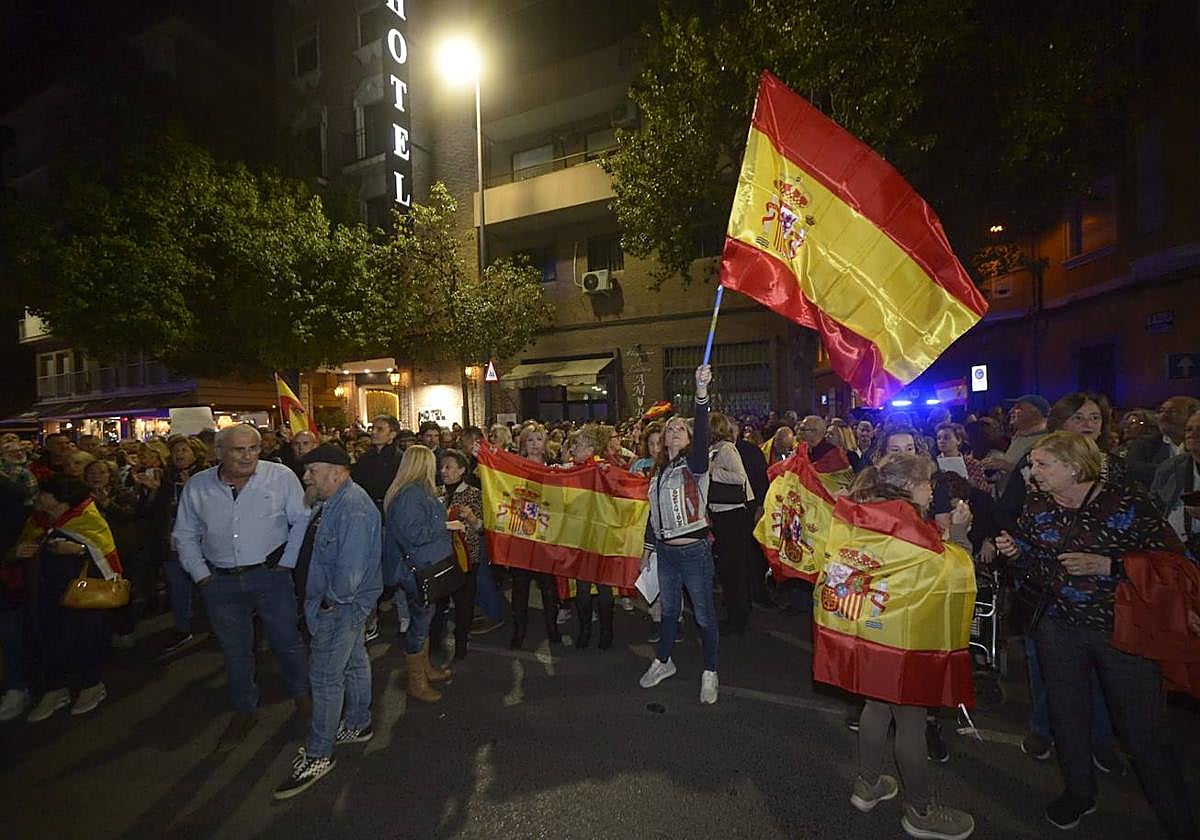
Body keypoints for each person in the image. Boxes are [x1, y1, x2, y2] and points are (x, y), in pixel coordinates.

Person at [996, 432, 1198, 836]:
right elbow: (1037, 562)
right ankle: (1079, 792)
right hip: (1057, 625)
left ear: (1074, 466)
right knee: (1067, 715)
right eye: (1033, 464)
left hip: (1122, 630)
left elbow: (1176, 562)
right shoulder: (1037, 506)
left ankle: (1179, 818)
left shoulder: (1127, 502)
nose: (1032, 473)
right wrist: (1018, 553)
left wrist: (1111, 566)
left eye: (1042, 464)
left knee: (1143, 730)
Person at [172, 424, 312, 752]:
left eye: (253, 448)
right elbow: (185, 533)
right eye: (239, 450)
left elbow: (302, 519)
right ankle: (245, 711)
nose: (248, 456)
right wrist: (201, 574)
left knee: (287, 641)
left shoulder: (280, 477)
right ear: (219, 452)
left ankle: (303, 697)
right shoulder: (198, 486)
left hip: (270, 576)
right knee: (235, 651)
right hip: (219, 582)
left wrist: (288, 561)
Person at [273, 445, 382, 800]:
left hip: (339, 606)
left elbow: (349, 576)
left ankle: (319, 753)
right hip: (340, 605)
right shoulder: (334, 502)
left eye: (312, 470)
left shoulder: (352, 509)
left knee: (323, 677)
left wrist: (327, 604)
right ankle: (358, 723)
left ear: (337, 471)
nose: (306, 477)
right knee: (353, 661)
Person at [639, 364, 720, 704]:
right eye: (669, 429)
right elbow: (652, 517)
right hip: (666, 553)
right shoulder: (657, 471)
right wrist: (649, 548)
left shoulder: (695, 465)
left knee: (703, 615)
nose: (672, 433)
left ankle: (710, 672)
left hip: (694, 552)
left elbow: (701, 434)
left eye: (678, 430)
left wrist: (701, 394)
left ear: (687, 440)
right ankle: (663, 661)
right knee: (669, 612)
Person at [18, 475, 124, 721]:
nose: (37, 498)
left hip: (82, 595)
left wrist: (80, 550)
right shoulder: (39, 521)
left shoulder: (87, 520)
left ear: (61, 500)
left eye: (43, 494)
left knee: (84, 637)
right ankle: (55, 689)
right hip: (45, 593)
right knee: (48, 638)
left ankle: (92, 685)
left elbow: (107, 558)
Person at [383, 445, 459, 703]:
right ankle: (416, 681)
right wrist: (443, 525)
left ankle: (424, 669)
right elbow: (415, 534)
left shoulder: (415, 491)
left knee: (424, 619)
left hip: (423, 565)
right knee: (419, 624)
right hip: (417, 569)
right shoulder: (410, 495)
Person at [507, 424, 562, 649]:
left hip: (545, 533)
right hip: (520, 531)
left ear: (545, 442)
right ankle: (519, 630)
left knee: (548, 586)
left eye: (538, 439)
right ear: (523, 444)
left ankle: (552, 628)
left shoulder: (554, 468)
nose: (534, 444)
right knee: (520, 586)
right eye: (529, 440)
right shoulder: (512, 467)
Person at [156, 437, 211, 656]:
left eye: (183, 450)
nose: (179, 454)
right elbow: (158, 511)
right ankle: (182, 628)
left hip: (201, 542)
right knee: (178, 586)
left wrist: (191, 488)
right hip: (172, 540)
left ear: (194, 452)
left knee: (207, 586)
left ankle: (216, 626)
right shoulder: (167, 477)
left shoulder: (207, 475)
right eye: (175, 450)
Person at [430, 449, 483, 661]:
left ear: (462, 470)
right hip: (441, 555)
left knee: (463, 603)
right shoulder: (435, 493)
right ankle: (434, 642)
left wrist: (470, 518)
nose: (444, 471)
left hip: (466, 556)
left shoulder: (473, 494)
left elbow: (481, 527)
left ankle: (461, 642)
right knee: (438, 602)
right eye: (442, 467)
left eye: (449, 467)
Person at [707, 412, 756, 636]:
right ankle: (736, 613)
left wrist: (713, 471)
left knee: (734, 568)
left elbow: (739, 478)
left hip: (732, 516)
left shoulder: (726, 449)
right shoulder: (718, 448)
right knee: (729, 568)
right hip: (722, 515)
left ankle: (738, 618)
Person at [1151, 410, 1200, 555]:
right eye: (1189, 429)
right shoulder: (1170, 467)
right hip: (1176, 551)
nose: (1193, 434)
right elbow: (1154, 507)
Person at [1126, 396, 1200, 488]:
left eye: (1173, 411)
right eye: (1161, 411)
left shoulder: (1195, 444)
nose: (1164, 416)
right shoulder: (1144, 444)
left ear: (1192, 415)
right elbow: (1132, 469)